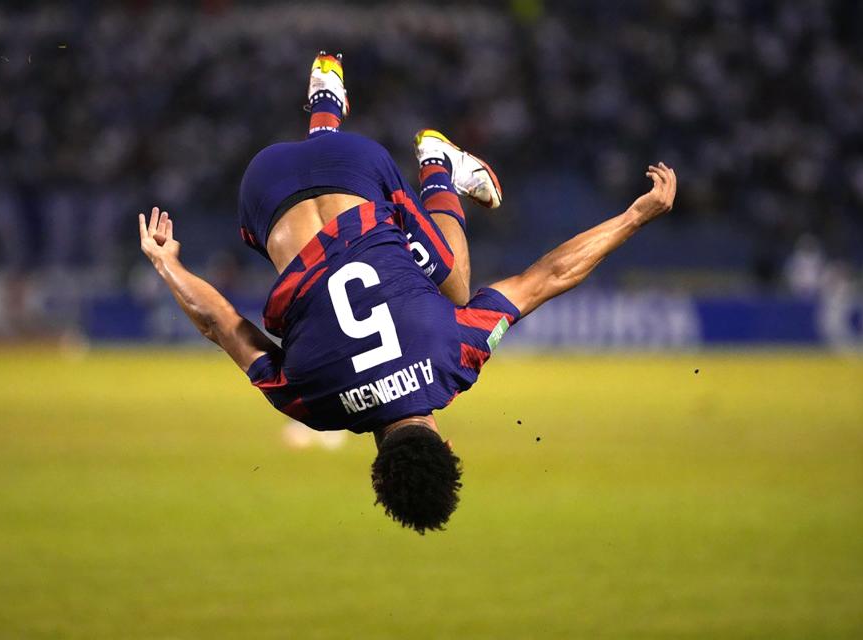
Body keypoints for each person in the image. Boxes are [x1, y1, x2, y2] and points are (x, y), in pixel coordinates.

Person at [138, 53, 677, 534]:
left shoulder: (453, 360)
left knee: (458, 292)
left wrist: (635, 216)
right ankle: (324, 107)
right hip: (262, 184)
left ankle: (438, 165)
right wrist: (168, 264)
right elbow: (222, 326)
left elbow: (547, 278)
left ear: (447, 445)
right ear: (375, 471)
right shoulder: (313, 404)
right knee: (302, 256)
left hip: (359, 163)